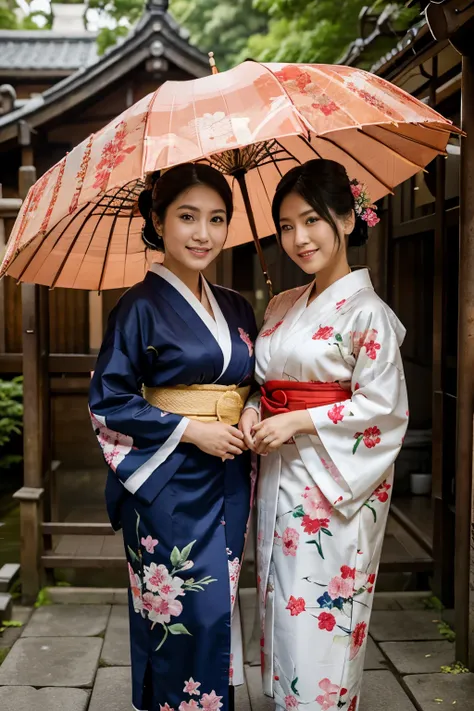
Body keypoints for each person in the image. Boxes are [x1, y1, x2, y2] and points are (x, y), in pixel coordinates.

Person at [239, 159, 409, 711]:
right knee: (284, 604)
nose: (298, 239)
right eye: (286, 226)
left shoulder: (368, 313)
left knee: (322, 610)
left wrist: (299, 420)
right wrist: (250, 408)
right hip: (279, 474)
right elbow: (261, 381)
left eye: (311, 220)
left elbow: (383, 408)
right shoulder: (286, 304)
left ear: (346, 216)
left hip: (335, 488)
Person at [89, 163, 257, 711]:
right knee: (181, 613)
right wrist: (192, 431)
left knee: (218, 613)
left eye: (217, 218)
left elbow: (253, 381)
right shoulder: (138, 306)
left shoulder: (236, 306)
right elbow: (110, 400)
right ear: (157, 221)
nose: (203, 233)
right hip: (168, 482)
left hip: (229, 472)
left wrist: (250, 407)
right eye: (187, 217)